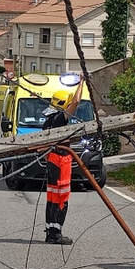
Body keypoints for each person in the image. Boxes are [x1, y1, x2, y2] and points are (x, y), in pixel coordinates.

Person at [42, 87, 80, 245]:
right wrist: (82, 81)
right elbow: (76, 102)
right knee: (62, 199)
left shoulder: (48, 120)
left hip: (52, 161)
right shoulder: (59, 118)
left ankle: (50, 232)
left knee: (52, 198)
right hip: (61, 162)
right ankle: (56, 234)